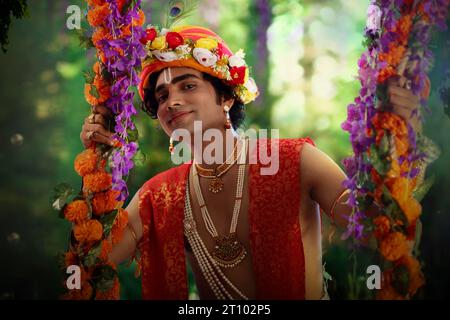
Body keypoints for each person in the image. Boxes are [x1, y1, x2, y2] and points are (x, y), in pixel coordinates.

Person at [80, 25, 425, 300]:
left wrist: (395, 140)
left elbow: (378, 229)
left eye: (188, 85)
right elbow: (96, 260)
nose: (172, 102)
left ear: (227, 96)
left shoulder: (296, 160)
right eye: (162, 96)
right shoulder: (159, 194)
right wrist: (99, 160)